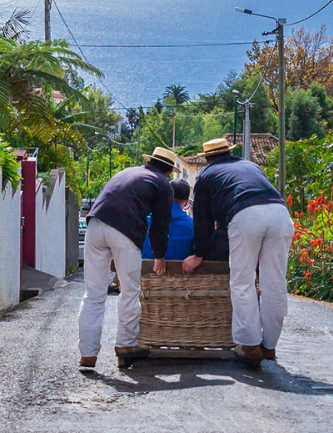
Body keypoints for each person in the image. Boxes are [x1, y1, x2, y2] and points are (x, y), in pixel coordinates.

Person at [183, 138, 293, 368]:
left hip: (245, 216)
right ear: (229, 152)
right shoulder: (251, 166)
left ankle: (250, 345)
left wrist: (199, 254)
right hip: (280, 213)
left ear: (206, 158)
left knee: (242, 281)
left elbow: (202, 220)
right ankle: (269, 345)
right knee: (274, 282)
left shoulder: (205, 174)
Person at [79, 147, 182, 368]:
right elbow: (160, 225)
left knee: (93, 293)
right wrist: (159, 256)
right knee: (129, 290)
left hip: (95, 224)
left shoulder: (127, 172)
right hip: (125, 231)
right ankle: (125, 344)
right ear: (168, 171)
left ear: (150, 162)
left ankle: (87, 354)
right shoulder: (163, 184)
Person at [141, 179, 195, 262]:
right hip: (180, 274)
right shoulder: (192, 226)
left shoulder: (142, 220)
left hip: (141, 273)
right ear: (187, 201)